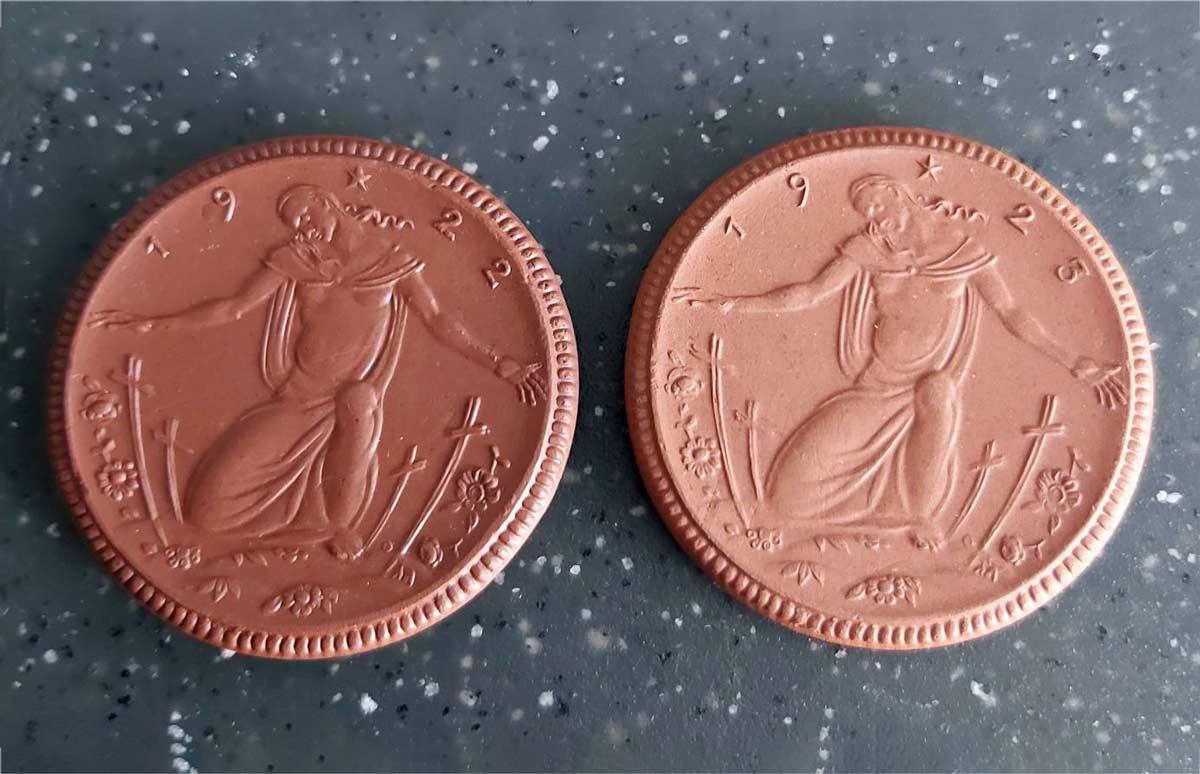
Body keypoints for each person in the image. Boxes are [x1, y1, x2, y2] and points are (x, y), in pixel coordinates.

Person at [90, 185, 544, 559]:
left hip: (350, 400)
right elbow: (233, 307)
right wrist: (151, 323)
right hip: (296, 398)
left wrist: (498, 362)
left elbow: (438, 320)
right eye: (295, 223)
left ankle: (340, 524)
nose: (303, 228)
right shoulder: (296, 260)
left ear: (328, 204)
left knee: (358, 399)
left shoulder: (389, 261)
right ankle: (294, 537)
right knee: (204, 511)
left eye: (307, 216)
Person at [674, 174, 1125, 547]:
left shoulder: (961, 252)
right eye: (866, 211)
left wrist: (1075, 362)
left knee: (938, 391)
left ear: (898, 194)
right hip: (876, 386)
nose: (874, 216)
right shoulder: (868, 251)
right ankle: (858, 524)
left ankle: (920, 517)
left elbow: (1012, 314)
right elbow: (809, 294)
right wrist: (731, 304)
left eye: (877, 203)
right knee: (786, 495)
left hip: (927, 390)